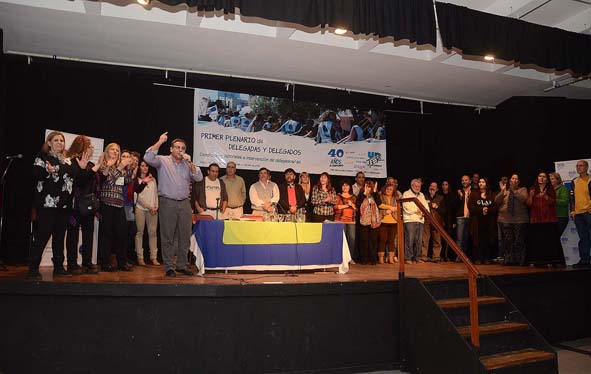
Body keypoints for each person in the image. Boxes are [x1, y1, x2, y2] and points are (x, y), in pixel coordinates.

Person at [28, 131, 87, 279]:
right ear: (49, 142)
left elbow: (77, 181)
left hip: (64, 206)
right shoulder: (42, 157)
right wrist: (48, 171)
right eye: (56, 140)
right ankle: (33, 268)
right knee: (43, 236)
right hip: (47, 204)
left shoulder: (67, 160)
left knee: (59, 238)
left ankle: (59, 267)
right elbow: (36, 174)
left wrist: (82, 169)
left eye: (62, 140)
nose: (60, 143)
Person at [144, 132, 203, 277]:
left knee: (185, 235)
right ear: (171, 149)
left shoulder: (187, 164)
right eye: (177, 147)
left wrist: (190, 163)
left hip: (184, 203)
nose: (180, 150)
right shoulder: (163, 160)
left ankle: (181, 265)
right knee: (168, 236)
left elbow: (199, 177)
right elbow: (147, 157)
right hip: (167, 201)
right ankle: (169, 266)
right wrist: (159, 141)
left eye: (183, 148)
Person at [65, 135, 99, 275]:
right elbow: (78, 181)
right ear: (82, 148)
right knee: (73, 234)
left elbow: (95, 182)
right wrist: (88, 170)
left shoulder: (90, 164)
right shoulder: (72, 161)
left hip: (88, 205)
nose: (92, 148)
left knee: (88, 234)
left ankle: (87, 262)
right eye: (90, 146)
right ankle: (72, 263)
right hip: (75, 205)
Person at [97, 143, 133, 272]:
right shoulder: (103, 164)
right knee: (106, 234)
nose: (115, 152)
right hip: (107, 202)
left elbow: (125, 182)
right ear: (107, 151)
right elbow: (109, 182)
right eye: (112, 149)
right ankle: (104, 263)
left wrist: (128, 169)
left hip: (119, 203)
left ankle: (122, 262)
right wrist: (119, 168)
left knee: (122, 234)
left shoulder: (120, 166)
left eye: (117, 150)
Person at [526, 172, 565, 267]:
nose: (542, 178)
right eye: (540, 176)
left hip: (549, 219)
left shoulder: (551, 188)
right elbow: (528, 204)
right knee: (538, 241)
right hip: (536, 219)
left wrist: (545, 196)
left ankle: (554, 261)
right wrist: (531, 196)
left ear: (547, 179)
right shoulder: (532, 189)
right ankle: (539, 261)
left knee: (551, 241)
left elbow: (553, 202)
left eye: (544, 176)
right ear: (537, 178)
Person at [495, 174, 529, 266]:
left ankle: (520, 260)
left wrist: (514, 191)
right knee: (507, 241)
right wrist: (502, 191)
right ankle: (509, 259)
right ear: (510, 181)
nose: (514, 180)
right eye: (512, 178)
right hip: (505, 219)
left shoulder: (523, 190)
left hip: (520, 220)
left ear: (519, 182)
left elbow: (524, 199)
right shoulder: (504, 191)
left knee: (519, 241)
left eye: (516, 179)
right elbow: (496, 201)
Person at [134, 159, 159, 266]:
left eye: (147, 166)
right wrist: (149, 206)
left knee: (153, 233)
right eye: (142, 165)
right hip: (141, 208)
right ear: (139, 167)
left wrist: (156, 206)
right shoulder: (137, 179)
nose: (144, 168)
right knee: (140, 233)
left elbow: (156, 194)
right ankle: (140, 257)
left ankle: (153, 257)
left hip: (153, 210)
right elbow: (137, 197)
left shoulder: (153, 179)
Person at [468, 177, 497, 264]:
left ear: (486, 184)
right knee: (477, 240)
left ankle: (487, 258)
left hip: (488, 222)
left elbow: (495, 207)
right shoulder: (474, 194)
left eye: (483, 182)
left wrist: (487, 210)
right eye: (479, 182)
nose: (480, 183)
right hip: (477, 222)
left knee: (487, 240)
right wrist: (481, 210)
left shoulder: (491, 194)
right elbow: (471, 207)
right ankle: (478, 258)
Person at [569, 160, 591, 268]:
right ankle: (585, 260)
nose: (578, 167)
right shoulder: (574, 181)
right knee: (583, 238)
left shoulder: (590, 179)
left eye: (581, 165)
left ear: (586, 167)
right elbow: (572, 197)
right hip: (578, 214)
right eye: (577, 166)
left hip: (589, 213)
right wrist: (573, 210)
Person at [402, 179, 430, 264]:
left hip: (420, 219)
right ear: (412, 186)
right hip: (410, 219)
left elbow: (425, 206)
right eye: (416, 186)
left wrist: (422, 211)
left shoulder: (421, 195)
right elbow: (406, 206)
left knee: (419, 240)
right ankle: (408, 258)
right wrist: (416, 210)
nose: (418, 188)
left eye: (419, 186)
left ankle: (417, 257)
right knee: (409, 239)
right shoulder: (406, 193)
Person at [357, 180, 381, 264]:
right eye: (366, 186)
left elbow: (379, 203)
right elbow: (358, 204)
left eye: (369, 187)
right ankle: (364, 260)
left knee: (373, 241)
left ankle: (373, 260)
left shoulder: (375, 196)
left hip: (374, 222)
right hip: (363, 221)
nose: (368, 188)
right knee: (364, 241)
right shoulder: (361, 196)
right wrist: (364, 194)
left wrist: (374, 192)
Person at [334, 179, 357, 262]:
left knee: (352, 239)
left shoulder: (354, 197)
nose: (345, 187)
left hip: (351, 221)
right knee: (341, 239)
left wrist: (352, 205)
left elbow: (356, 209)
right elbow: (336, 207)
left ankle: (350, 258)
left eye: (346, 185)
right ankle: (342, 258)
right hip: (340, 220)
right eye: (343, 185)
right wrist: (347, 205)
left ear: (350, 187)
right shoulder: (338, 196)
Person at [423, 181, 445, 263]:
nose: (432, 187)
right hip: (426, 221)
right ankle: (423, 256)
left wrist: (437, 207)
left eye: (434, 186)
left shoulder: (441, 198)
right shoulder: (424, 196)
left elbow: (444, 211)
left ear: (437, 189)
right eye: (431, 186)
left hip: (437, 221)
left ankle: (436, 257)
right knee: (425, 239)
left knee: (437, 240)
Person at [378, 183, 399, 264]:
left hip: (393, 221)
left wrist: (393, 209)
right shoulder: (381, 196)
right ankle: (381, 257)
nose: (389, 191)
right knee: (382, 240)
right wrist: (390, 208)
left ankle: (391, 257)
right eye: (387, 189)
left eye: (391, 189)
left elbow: (398, 207)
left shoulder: (396, 198)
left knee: (391, 240)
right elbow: (379, 205)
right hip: (383, 221)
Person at [455, 175, 472, 259]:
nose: (464, 181)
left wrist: (470, 195)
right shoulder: (458, 191)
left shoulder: (473, 191)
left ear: (470, 181)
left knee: (466, 238)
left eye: (466, 180)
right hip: (460, 217)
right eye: (463, 180)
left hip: (470, 217)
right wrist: (460, 196)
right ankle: (459, 256)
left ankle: (465, 257)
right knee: (459, 238)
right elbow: (453, 206)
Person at [549, 172, 570, 236]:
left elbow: (565, 202)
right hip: (551, 217)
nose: (551, 180)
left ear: (558, 180)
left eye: (552, 179)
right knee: (553, 238)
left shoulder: (563, 189)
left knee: (555, 237)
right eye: (550, 179)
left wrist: (552, 200)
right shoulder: (549, 190)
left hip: (560, 217)